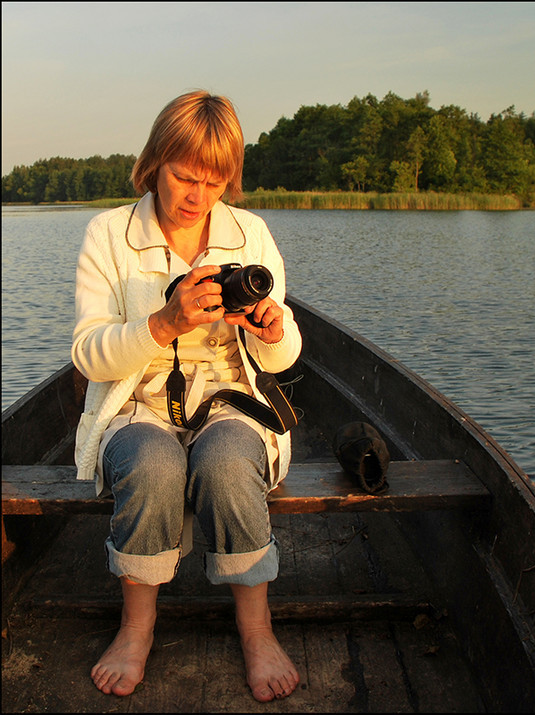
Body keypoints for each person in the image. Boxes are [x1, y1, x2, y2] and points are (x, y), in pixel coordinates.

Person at [71, 90, 301, 702]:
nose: (198, 195)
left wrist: (274, 332)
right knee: (152, 462)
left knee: (226, 462)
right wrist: (164, 323)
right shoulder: (108, 234)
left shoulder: (249, 233)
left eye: (214, 180)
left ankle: (257, 629)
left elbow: (285, 355)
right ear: (153, 163)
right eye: (183, 176)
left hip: (229, 404)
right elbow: (88, 354)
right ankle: (136, 628)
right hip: (135, 406)